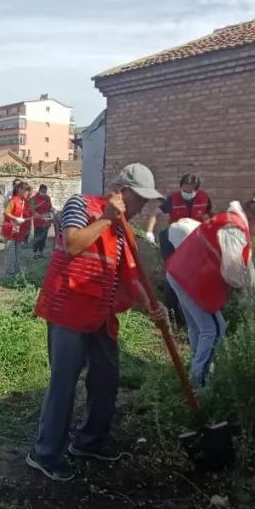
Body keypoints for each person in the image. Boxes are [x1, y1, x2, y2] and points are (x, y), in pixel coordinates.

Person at [27, 164, 166, 481]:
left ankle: (89, 442)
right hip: (69, 309)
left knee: (106, 378)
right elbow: (73, 244)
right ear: (123, 192)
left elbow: (129, 275)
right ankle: (45, 453)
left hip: (100, 313)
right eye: (140, 199)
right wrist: (105, 218)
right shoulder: (81, 205)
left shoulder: (122, 229)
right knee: (64, 383)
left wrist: (151, 304)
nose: (143, 207)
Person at [164, 192, 255, 387]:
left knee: (199, 328)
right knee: (215, 329)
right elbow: (234, 272)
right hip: (192, 280)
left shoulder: (231, 220)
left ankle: (194, 373)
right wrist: (247, 299)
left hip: (180, 273)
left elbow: (244, 265)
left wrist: (251, 294)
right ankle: (201, 384)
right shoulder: (235, 229)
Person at [145, 173, 212, 257]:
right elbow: (155, 213)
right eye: (184, 191)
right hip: (176, 236)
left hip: (197, 236)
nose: (187, 193)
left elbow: (208, 216)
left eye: (190, 192)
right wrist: (149, 232)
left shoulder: (204, 198)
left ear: (196, 190)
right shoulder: (173, 199)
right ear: (181, 187)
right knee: (164, 236)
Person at [3, 181, 31, 277]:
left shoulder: (25, 202)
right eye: (26, 191)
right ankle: (10, 272)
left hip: (19, 231)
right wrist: (16, 218)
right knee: (10, 251)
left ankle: (17, 271)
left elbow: (29, 213)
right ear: (20, 190)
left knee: (18, 251)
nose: (28, 193)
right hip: (10, 230)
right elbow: (6, 213)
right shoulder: (13, 200)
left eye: (28, 191)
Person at [31, 184, 54, 258]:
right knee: (37, 237)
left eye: (45, 191)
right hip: (38, 220)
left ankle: (41, 253)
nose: (44, 193)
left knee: (44, 237)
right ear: (39, 190)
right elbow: (32, 209)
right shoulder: (34, 198)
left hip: (47, 220)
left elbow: (50, 207)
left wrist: (52, 210)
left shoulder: (48, 198)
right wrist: (40, 204)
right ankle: (35, 253)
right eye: (42, 191)